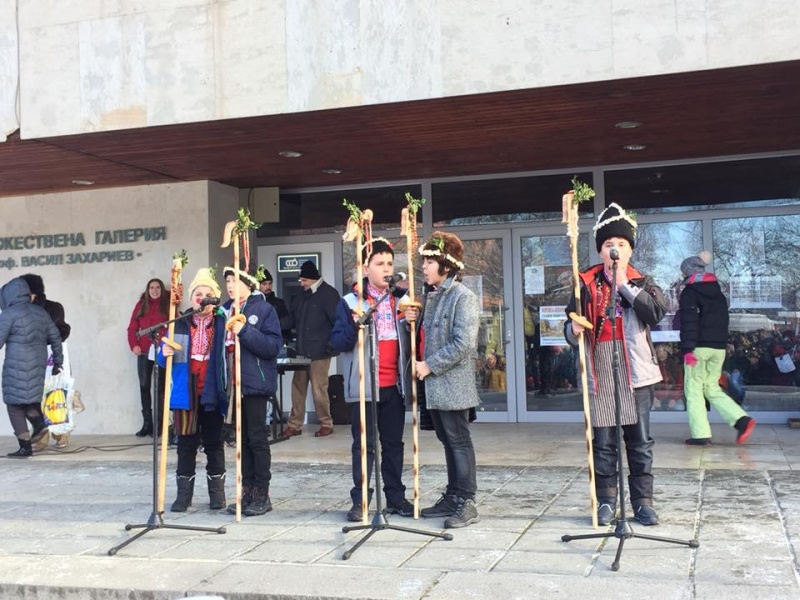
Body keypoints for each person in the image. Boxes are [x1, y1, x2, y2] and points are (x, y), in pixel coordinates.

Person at [564, 202, 665, 527]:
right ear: (600, 250)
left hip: (635, 368)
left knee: (639, 442)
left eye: (621, 243)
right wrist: (572, 329)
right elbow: (569, 324)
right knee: (604, 441)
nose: (615, 249)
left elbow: (656, 313)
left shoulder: (642, 281)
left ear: (630, 249)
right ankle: (607, 501)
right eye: (609, 244)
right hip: (600, 366)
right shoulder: (585, 283)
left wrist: (624, 285)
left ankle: (643, 503)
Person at [329, 238, 415, 521]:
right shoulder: (350, 302)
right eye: (380, 264)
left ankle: (396, 497)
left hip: (394, 385)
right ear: (366, 269)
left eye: (390, 263)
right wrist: (356, 327)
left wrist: (414, 320)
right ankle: (361, 499)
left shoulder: (403, 300)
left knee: (393, 445)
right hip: (365, 384)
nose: (387, 269)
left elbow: (414, 339)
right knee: (364, 446)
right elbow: (337, 342)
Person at [406, 231, 481, 529]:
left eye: (429, 262)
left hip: (452, 385)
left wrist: (429, 366)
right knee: (447, 440)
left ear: (446, 267)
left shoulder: (463, 297)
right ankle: (453, 495)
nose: (424, 267)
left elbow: (463, 344)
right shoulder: (433, 296)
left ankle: (467, 501)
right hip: (435, 386)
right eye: (424, 261)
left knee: (459, 441)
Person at [158, 268, 229, 512]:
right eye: (198, 294)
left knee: (213, 443)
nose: (202, 299)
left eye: (207, 294)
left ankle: (217, 495)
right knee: (186, 444)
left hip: (211, 391)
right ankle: (183, 497)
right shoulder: (178, 323)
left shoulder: (222, 323)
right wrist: (163, 352)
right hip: (185, 393)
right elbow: (162, 360)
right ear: (191, 299)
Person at [223, 263, 283, 516]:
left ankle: (261, 493)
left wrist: (244, 331)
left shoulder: (264, 309)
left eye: (235, 281)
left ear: (248, 284)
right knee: (242, 439)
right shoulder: (225, 311)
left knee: (257, 438)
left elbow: (272, 346)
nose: (230, 286)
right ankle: (246, 491)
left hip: (255, 382)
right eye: (227, 282)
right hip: (233, 384)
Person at [678, 253, 756, 446]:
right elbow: (723, 321)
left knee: (694, 390)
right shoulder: (718, 293)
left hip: (698, 349)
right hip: (718, 348)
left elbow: (689, 323)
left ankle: (700, 434)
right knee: (711, 387)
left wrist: (687, 350)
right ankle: (741, 420)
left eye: (683, 272)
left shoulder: (690, 292)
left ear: (688, 272)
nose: (682, 276)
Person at [0, 277, 63, 458]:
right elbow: (56, 337)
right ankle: (39, 424)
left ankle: (25, 446)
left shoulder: (9, 314)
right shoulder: (40, 312)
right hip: (38, 364)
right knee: (26, 399)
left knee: (14, 404)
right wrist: (57, 362)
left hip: (16, 365)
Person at [284, 261, 340, 438]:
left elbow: (337, 321)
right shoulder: (301, 295)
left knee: (319, 389)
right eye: (300, 280)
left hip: (321, 351)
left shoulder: (329, 294)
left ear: (313, 279)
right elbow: (292, 319)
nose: (301, 283)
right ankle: (294, 424)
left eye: (304, 280)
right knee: (297, 388)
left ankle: (326, 423)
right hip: (302, 350)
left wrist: (331, 344)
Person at [21, 273, 72, 449]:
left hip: (52, 357)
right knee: (36, 397)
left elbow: (62, 331)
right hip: (31, 359)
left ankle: (61, 434)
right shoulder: (21, 310)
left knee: (57, 394)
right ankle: (42, 436)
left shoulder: (54, 308)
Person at [127, 278, 169, 437]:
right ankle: (147, 424)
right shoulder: (141, 305)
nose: (155, 290)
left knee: (160, 388)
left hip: (161, 351)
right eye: (151, 287)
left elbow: (173, 326)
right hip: (144, 351)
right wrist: (134, 345)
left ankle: (159, 425)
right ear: (147, 289)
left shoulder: (167, 304)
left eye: (158, 287)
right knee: (144, 385)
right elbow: (132, 328)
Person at [258, 266, 292, 342]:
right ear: (258, 285)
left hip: (276, 342)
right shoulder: (253, 303)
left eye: (270, 283)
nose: (268, 286)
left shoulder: (279, 303)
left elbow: (287, 324)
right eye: (264, 284)